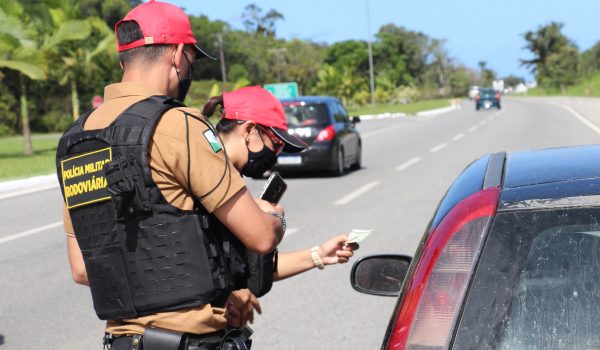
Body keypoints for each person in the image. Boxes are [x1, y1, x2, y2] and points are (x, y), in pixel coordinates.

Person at [56, 1, 294, 349]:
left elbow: (81, 269)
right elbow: (259, 237)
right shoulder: (177, 124)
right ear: (178, 55)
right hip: (193, 342)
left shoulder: (76, 140)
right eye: (192, 62)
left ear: (124, 59)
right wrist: (274, 219)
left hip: (120, 341)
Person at [201, 86, 359, 322]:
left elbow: (248, 267)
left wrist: (319, 255)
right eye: (276, 144)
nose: (276, 154)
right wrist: (275, 219)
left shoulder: (231, 181)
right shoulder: (205, 178)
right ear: (249, 130)